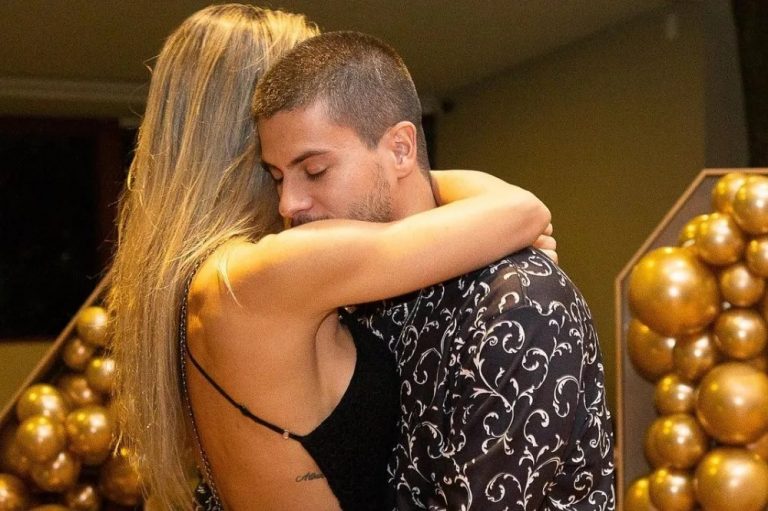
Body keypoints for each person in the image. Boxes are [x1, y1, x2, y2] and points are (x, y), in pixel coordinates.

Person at [108, 5, 555, 510]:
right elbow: (522, 210)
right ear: (255, 132)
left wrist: (385, 157)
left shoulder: (204, 281)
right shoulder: (273, 272)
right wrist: (392, 158)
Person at [253, 31, 616, 510]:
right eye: (278, 177)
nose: (288, 204)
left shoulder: (518, 303)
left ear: (401, 150)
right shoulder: (338, 298)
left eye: (315, 170)